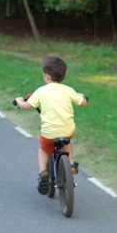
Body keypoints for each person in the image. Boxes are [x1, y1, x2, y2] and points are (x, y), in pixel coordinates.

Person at [14, 55, 88, 194]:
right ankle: (71, 164)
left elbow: (27, 106)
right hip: (67, 130)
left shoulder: (41, 91)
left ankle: (43, 172)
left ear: (47, 76)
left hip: (49, 133)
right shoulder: (68, 90)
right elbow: (83, 103)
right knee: (67, 142)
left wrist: (18, 101)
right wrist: (82, 96)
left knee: (43, 148)